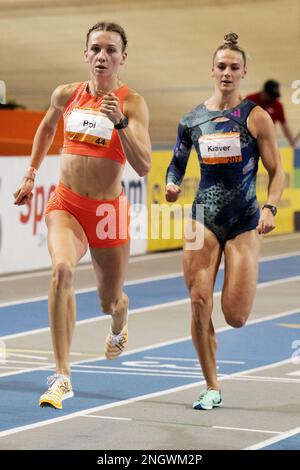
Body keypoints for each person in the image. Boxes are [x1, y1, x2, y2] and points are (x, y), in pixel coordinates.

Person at [13, 22, 151, 409]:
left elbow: (142, 166)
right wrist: (30, 173)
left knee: (110, 300)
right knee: (62, 271)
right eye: (96, 49)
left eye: (111, 50)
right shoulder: (66, 93)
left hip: (107, 212)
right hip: (67, 204)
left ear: (123, 57)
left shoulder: (132, 103)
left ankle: (120, 318)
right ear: (86, 54)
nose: (102, 56)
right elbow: (46, 127)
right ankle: (62, 376)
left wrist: (120, 123)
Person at [165, 33, 285, 410]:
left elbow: (278, 171)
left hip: (245, 218)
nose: (227, 72)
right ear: (212, 71)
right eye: (221, 66)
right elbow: (177, 164)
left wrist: (270, 208)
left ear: (244, 71)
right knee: (199, 300)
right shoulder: (193, 120)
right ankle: (211, 385)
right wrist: (171, 185)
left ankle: (239, 282)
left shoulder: (255, 117)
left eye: (234, 67)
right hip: (202, 214)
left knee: (235, 316)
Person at [247, 80, 297, 148]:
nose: (273, 99)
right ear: (264, 92)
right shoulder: (250, 100)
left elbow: (284, 126)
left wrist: (292, 142)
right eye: (271, 96)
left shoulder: (277, 105)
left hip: (267, 140)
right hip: (250, 139)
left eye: (274, 97)